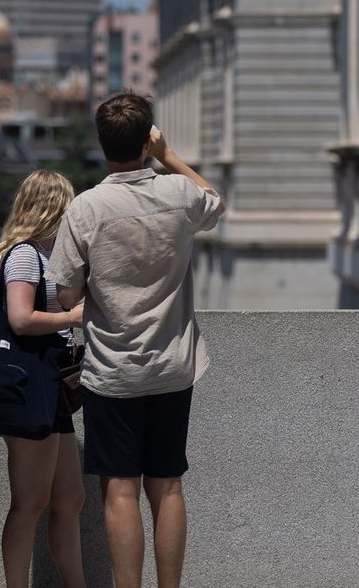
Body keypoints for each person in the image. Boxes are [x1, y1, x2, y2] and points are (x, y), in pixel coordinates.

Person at [47, 92, 225, 588]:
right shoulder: (179, 195)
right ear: (147, 139)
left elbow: (66, 294)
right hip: (173, 364)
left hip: (113, 370)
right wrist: (169, 157)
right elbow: (215, 201)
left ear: (102, 144)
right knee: (167, 485)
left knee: (119, 489)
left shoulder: (86, 210)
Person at [0, 169, 87, 588]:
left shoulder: (44, 254)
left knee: (69, 496)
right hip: (29, 388)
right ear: (53, 208)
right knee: (30, 501)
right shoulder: (25, 255)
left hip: (49, 389)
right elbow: (20, 319)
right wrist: (71, 317)